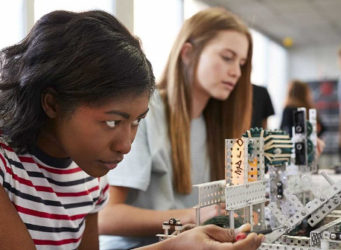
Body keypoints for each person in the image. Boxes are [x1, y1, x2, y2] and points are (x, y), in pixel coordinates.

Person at [0, 9, 263, 250]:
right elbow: (112, 218)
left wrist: (178, 244)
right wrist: (184, 226)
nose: (126, 145)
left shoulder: (90, 176)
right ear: (52, 103)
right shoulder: (8, 167)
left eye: (137, 121)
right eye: (112, 122)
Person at [99, 7, 256, 249]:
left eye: (242, 63)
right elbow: (106, 217)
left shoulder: (214, 125)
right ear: (188, 53)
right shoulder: (145, 113)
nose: (236, 72)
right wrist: (192, 215)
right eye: (227, 57)